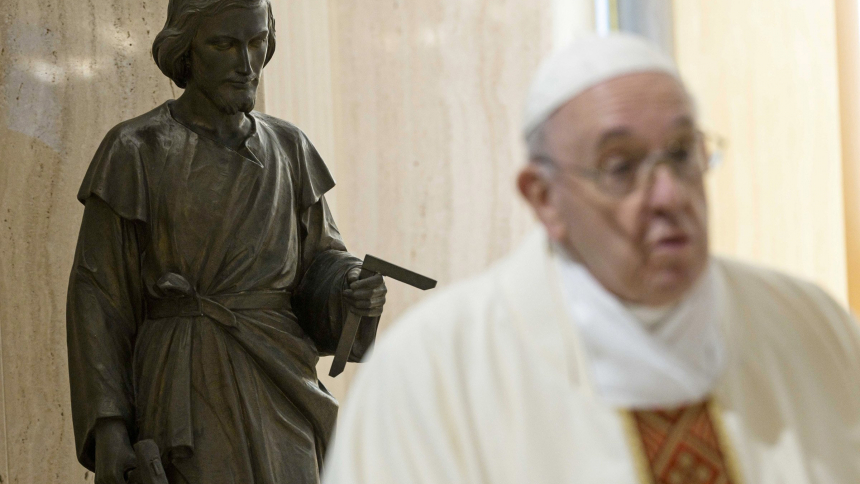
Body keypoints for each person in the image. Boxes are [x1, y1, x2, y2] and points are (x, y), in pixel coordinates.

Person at [323, 34, 860, 484]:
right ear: (544, 198)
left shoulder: (813, 327)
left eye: (680, 153)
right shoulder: (433, 373)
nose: (668, 195)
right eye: (620, 166)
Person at [65, 0, 387, 483]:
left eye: (257, 42)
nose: (247, 63)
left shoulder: (290, 148)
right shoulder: (136, 150)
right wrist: (109, 426)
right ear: (186, 50)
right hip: (187, 388)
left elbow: (323, 259)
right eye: (225, 44)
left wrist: (351, 288)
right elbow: (98, 299)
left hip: (283, 384)